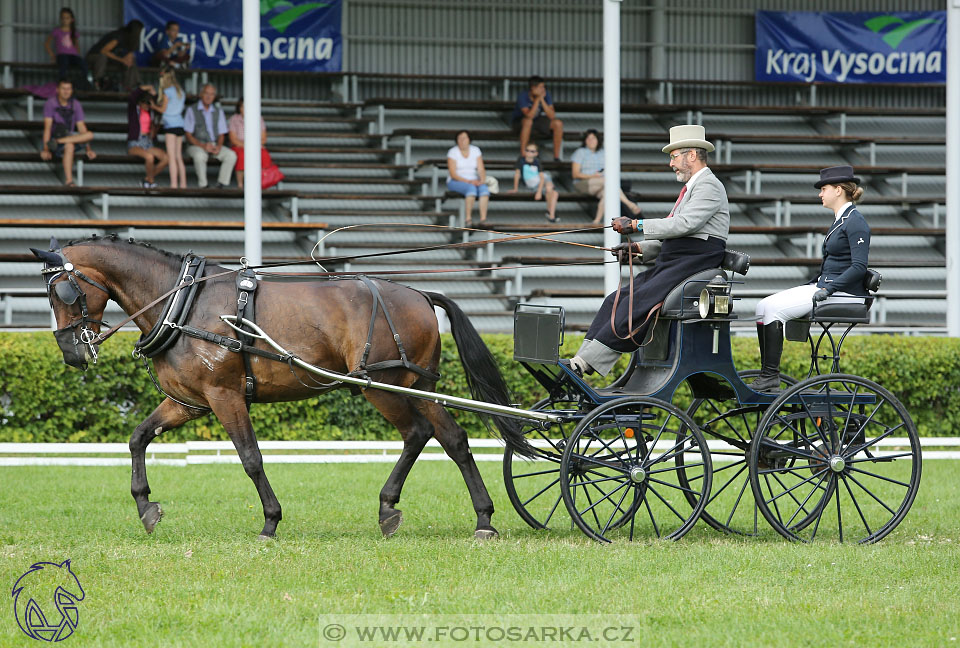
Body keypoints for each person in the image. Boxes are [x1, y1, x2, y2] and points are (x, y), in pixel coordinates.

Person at [568, 125, 730, 377]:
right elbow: (675, 237)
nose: (671, 164)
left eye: (674, 156)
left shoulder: (709, 185)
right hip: (678, 260)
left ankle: (586, 363)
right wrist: (637, 248)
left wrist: (636, 224)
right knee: (616, 299)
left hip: (694, 263)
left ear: (692, 156)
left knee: (638, 301)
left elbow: (684, 225)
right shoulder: (692, 189)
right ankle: (581, 360)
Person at [750, 166, 871, 391]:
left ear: (838, 190)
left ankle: (770, 376)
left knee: (774, 310)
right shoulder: (840, 220)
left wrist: (829, 289)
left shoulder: (856, 222)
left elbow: (859, 267)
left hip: (844, 294)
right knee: (762, 306)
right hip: (826, 286)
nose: (820, 194)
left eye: (823, 189)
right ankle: (766, 373)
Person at [571, 129, 642, 225]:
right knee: (609, 182)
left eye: (593, 138)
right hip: (583, 183)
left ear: (598, 140)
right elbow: (575, 174)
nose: (591, 141)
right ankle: (630, 204)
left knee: (607, 193)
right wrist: (593, 176)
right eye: (588, 138)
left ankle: (596, 221)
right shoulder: (580, 152)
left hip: (601, 183)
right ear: (585, 140)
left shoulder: (603, 152)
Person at [40, 79, 96, 186]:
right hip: (55, 137)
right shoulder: (50, 103)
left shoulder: (76, 104)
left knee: (89, 134)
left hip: (66, 138)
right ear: (58, 90)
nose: (66, 91)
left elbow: (82, 128)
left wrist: (88, 149)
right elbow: (47, 128)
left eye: (68, 89)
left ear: (72, 91)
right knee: (69, 146)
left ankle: (59, 141)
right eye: (63, 89)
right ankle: (69, 181)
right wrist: (45, 149)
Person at [184, 83, 236, 189]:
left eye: (212, 94)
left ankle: (221, 185)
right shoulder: (191, 110)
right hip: (196, 145)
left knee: (231, 155)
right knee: (200, 156)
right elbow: (188, 135)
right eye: (206, 93)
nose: (209, 96)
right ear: (201, 94)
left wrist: (219, 146)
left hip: (214, 144)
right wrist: (203, 146)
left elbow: (222, 133)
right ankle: (204, 185)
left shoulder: (218, 111)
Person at [227, 98, 284, 190]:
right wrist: (248, 146)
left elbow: (263, 138)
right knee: (242, 156)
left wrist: (252, 146)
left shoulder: (258, 118)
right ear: (239, 108)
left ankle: (263, 183)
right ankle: (240, 185)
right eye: (243, 106)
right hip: (239, 146)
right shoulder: (234, 119)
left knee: (264, 155)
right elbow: (233, 139)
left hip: (256, 146)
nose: (245, 109)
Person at [511, 75, 564, 161]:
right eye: (540, 87)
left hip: (538, 121)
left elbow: (552, 115)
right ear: (533, 88)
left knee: (558, 123)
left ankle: (556, 157)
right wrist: (537, 100)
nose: (543, 89)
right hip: (520, 122)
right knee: (528, 121)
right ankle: (523, 154)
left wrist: (542, 100)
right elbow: (529, 115)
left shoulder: (546, 95)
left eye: (543, 87)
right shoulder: (523, 96)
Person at [126, 84, 168, 189]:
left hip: (148, 142)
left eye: (148, 103)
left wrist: (154, 98)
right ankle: (151, 181)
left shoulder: (152, 113)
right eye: (144, 102)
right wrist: (149, 87)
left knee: (166, 158)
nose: (146, 105)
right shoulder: (134, 110)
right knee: (149, 157)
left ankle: (147, 180)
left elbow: (160, 104)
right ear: (139, 102)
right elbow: (132, 96)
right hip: (135, 142)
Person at [508, 142, 560, 223]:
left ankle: (551, 214)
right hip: (534, 184)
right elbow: (517, 174)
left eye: (532, 151)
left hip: (541, 181)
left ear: (536, 153)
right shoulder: (521, 160)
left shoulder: (537, 162)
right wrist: (515, 188)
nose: (529, 152)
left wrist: (539, 192)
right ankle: (551, 213)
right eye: (527, 150)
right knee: (552, 192)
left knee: (550, 188)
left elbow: (542, 178)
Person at [446, 130, 488, 226]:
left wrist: (482, 180)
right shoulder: (452, 152)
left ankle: (483, 219)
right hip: (456, 180)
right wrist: (469, 181)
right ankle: (468, 218)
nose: (462, 140)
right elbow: (453, 174)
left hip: (474, 179)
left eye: (464, 138)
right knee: (471, 189)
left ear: (469, 139)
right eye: (459, 138)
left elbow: (481, 169)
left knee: (484, 189)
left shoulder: (475, 150)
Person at [86, 20, 143, 91]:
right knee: (102, 57)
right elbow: (104, 51)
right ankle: (97, 82)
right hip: (95, 56)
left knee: (131, 61)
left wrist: (128, 59)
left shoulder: (131, 41)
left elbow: (130, 54)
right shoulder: (119, 36)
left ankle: (131, 86)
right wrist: (122, 60)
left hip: (110, 59)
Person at [153, 68, 187, 188]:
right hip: (180, 124)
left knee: (172, 156)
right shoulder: (181, 92)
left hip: (170, 125)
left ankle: (173, 184)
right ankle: (183, 184)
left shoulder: (167, 91)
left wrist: (153, 106)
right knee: (179, 157)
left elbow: (163, 110)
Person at [44, 7, 89, 84]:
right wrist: (52, 55)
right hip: (62, 55)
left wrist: (78, 55)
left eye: (67, 18)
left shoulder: (74, 32)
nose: (65, 20)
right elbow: (46, 44)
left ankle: (85, 82)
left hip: (73, 56)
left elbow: (77, 46)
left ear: (72, 20)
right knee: (64, 63)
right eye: (63, 18)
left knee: (83, 63)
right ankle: (62, 82)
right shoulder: (57, 31)